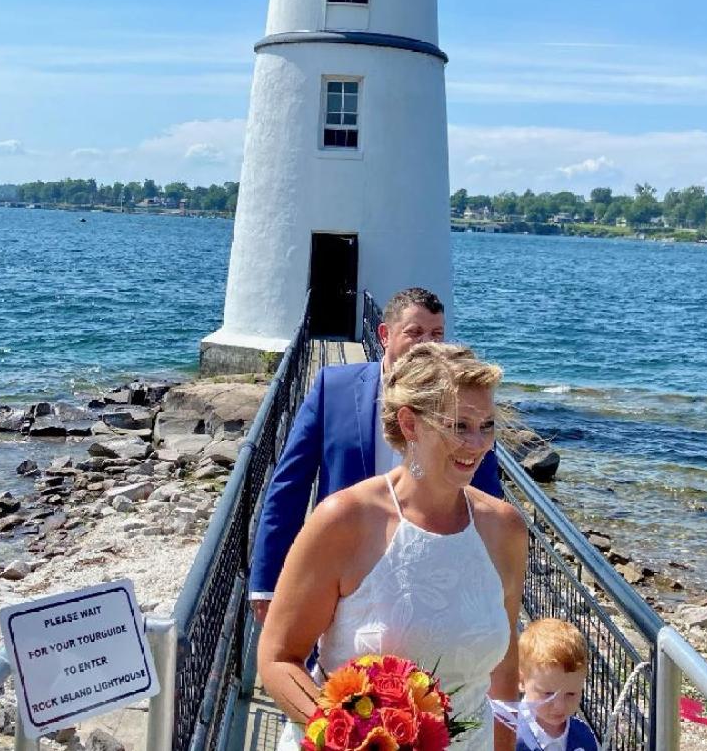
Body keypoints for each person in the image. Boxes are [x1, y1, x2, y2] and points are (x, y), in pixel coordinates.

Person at [258, 343, 528, 751]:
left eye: (487, 425)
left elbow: (505, 671)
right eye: (458, 425)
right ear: (409, 423)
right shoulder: (344, 520)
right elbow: (278, 657)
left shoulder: (504, 528)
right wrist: (345, 735)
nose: (477, 444)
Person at [249, 287, 503, 623]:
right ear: (384, 335)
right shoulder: (333, 388)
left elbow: (486, 493)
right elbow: (289, 487)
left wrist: (494, 584)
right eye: (414, 332)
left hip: (435, 575)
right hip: (344, 571)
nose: (427, 343)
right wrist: (267, 583)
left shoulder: (463, 406)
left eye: (437, 334)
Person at [514, 619, 599, 751]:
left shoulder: (584, 737)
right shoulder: (505, 735)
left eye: (571, 694)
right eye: (548, 694)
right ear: (521, 681)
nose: (560, 706)